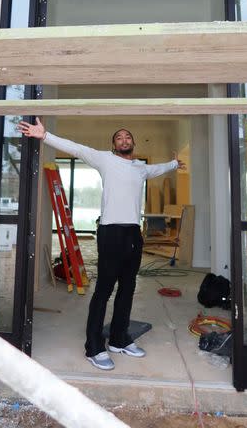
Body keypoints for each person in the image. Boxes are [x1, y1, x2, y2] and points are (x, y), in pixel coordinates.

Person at [18, 118, 186, 371]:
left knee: (128, 288)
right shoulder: (105, 159)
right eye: (119, 137)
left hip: (132, 233)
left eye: (128, 137)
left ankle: (119, 339)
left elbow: (157, 169)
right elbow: (75, 148)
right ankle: (94, 347)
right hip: (111, 232)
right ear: (113, 144)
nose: (124, 140)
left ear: (133, 143)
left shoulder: (140, 168)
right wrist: (45, 136)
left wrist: (174, 163)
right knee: (104, 291)